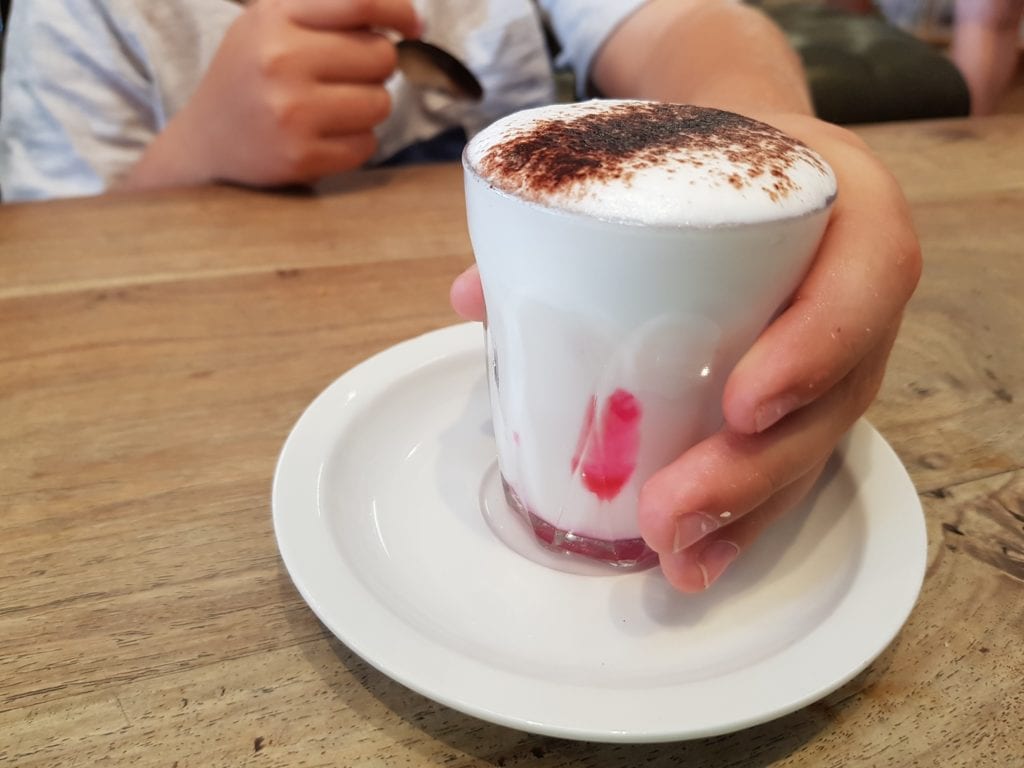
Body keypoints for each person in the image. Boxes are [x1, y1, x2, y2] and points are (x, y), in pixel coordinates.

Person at [0, 0, 921, 593]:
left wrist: (782, 133)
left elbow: (694, 24)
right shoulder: (87, 18)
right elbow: (51, 258)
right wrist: (196, 153)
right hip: (183, 401)